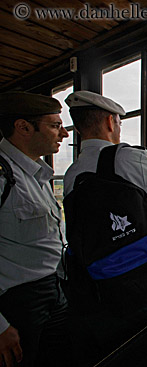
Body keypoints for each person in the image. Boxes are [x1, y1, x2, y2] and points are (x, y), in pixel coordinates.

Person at [62, 90, 147, 365]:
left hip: (95, 287)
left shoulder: (72, 173)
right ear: (111, 122)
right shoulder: (127, 158)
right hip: (137, 283)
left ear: (79, 128)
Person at [0, 92, 71, 367]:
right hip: (16, 302)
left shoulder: (36, 174)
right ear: (23, 127)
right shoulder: (4, 176)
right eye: (55, 125)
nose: (64, 133)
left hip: (53, 289)